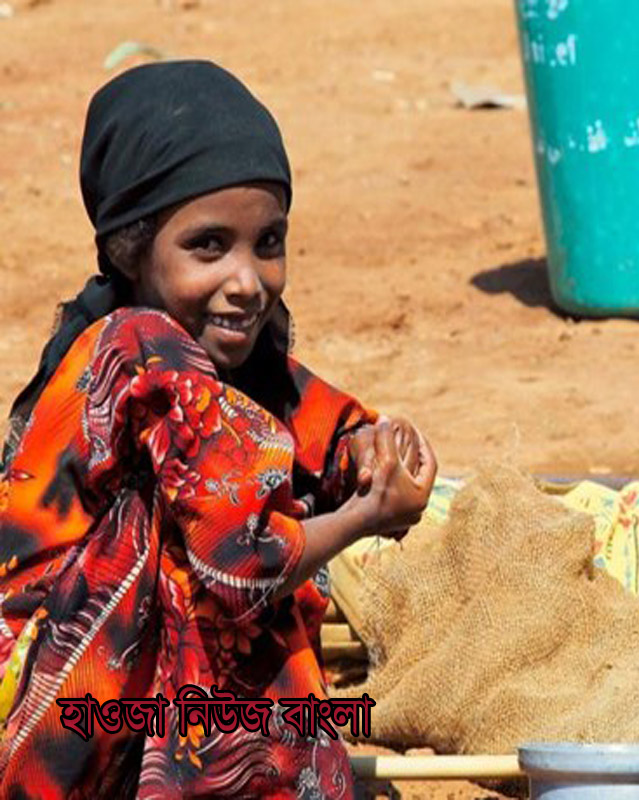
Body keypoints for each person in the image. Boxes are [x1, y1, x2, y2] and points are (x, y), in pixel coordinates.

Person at [0, 60, 434, 798]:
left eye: (268, 243)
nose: (247, 280)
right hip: (48, 727)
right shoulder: (137, 347)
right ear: (127, 251)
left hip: (111, 718)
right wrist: (366, 514)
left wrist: (375, 452)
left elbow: (328, 429)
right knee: (193, 552)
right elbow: (244, 564)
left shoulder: (224, 361)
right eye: (209, 246)